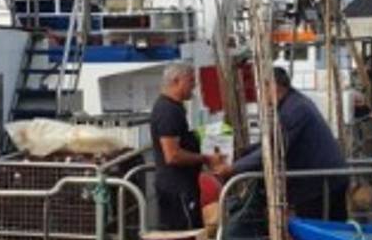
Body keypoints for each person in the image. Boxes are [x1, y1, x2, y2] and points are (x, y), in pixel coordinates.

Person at [228, 67, 348, 222]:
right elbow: (270, 142)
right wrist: (242, 153)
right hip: (323, 181)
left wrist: (233, 168)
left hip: (322, 184)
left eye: (262, 88)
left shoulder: (293, 110)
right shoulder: (294, 103)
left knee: (322, 229)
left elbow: (273, 150)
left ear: (273, 87)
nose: (260, 96)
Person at [149, 63, 222, 230]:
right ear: (176, 81)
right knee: (186, 234)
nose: (194, 86)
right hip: (177, 190)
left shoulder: (175, 108)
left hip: (184, 186)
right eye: (190, 81)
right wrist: (205, 158)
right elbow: (172, 155)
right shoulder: (168, 111)